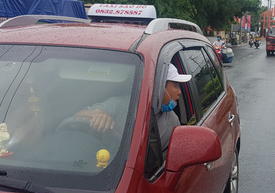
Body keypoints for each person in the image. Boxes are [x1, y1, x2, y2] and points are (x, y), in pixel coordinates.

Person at [62, 63, 191, 153]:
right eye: (175, 85)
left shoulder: (173, 121)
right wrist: (97, 114)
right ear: (158, 86)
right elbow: (77, 116)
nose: (179, 92)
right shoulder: (118, 104)